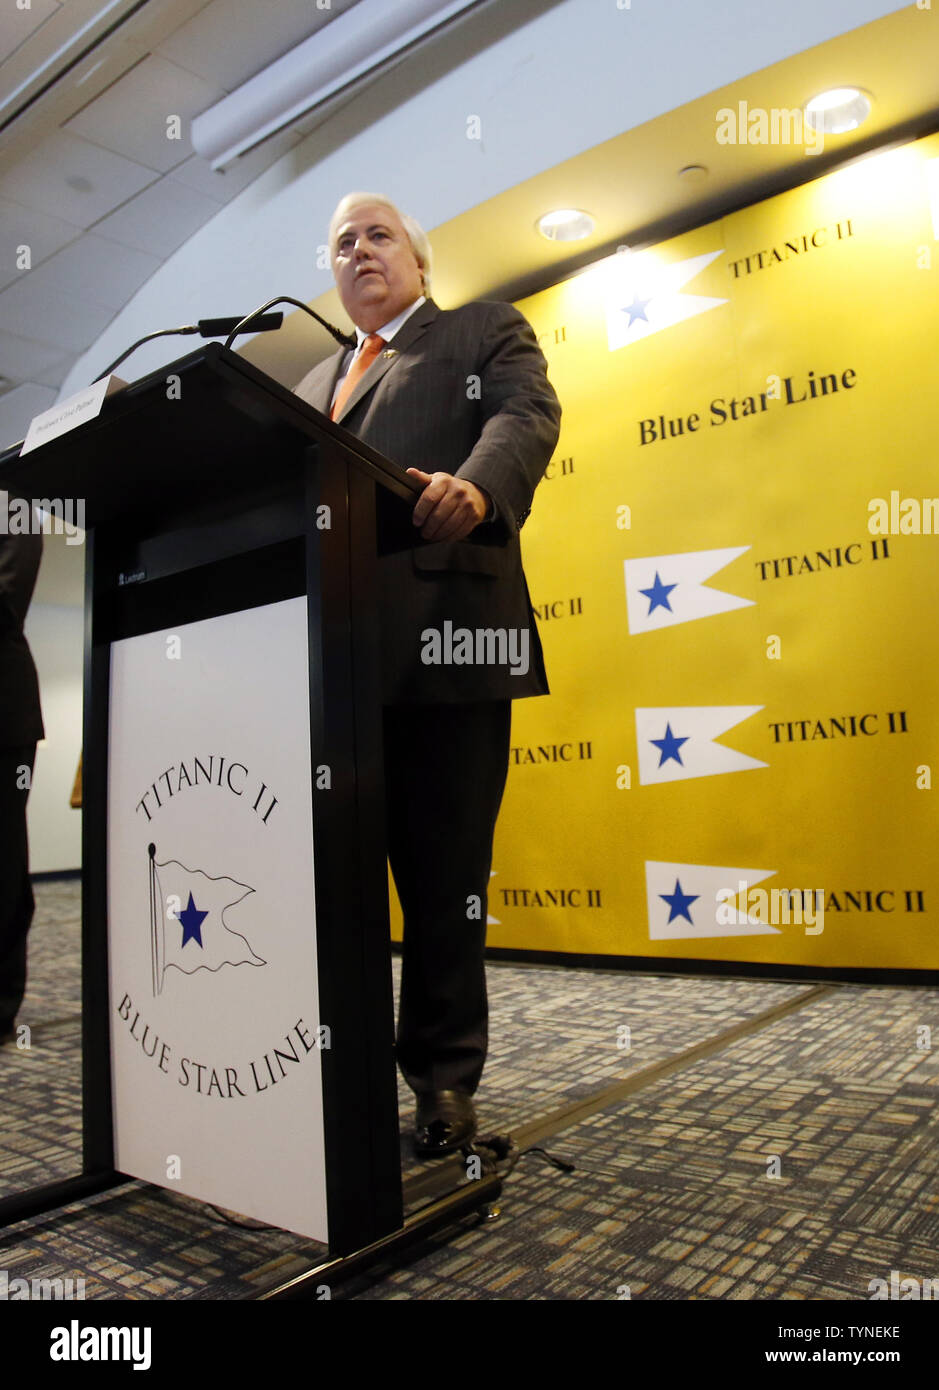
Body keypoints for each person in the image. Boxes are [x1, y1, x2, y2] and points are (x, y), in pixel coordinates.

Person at [294, 193, 560, 1156]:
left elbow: (528, 416)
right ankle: (341, 1065)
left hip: (452, 641)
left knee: (444, 881)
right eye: (341, 243)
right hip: (335, 662)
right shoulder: (315, 377)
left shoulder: (480, 331)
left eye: (377, 235)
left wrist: (480, 487)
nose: (358, 251)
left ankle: (444, 1082)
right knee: (339, 880)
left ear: (418, 259)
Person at [0, 521, 44, 1043]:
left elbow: (6, 601)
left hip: (3, 718)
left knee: (2, 863)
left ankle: (1, 1004)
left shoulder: (12, 504)